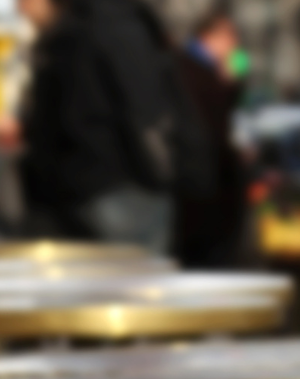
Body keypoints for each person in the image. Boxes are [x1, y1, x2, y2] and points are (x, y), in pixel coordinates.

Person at [15, 0, 211, 253]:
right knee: (128, 284)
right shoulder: (91, 24)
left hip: (118, 187)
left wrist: (159, 171)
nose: (19, 8)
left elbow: (144, 105)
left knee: (129, 284)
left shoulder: (100, 23)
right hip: (103, 186)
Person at [173, 6, 250, 267]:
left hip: (207, 191)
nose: (234, 45)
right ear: (211, 36)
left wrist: (233, 81)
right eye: (230, 37)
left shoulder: (208, 70)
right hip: (201, 192)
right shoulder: (192, 70)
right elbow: (211, 129)